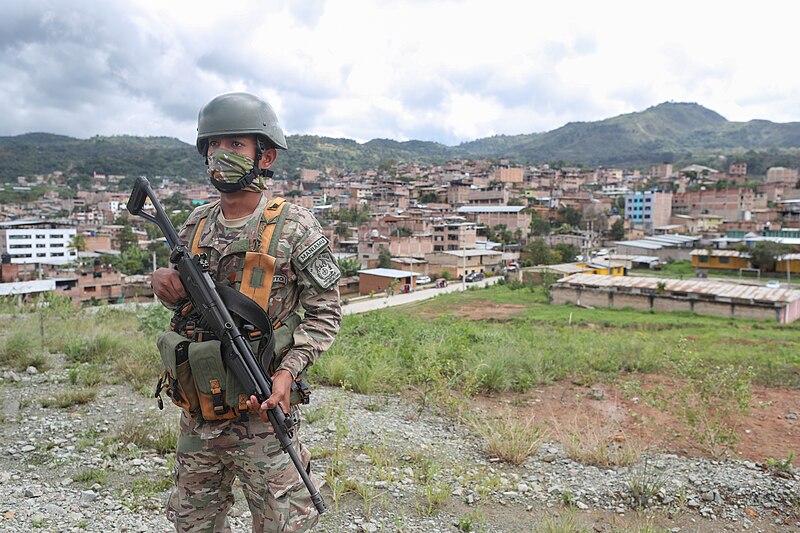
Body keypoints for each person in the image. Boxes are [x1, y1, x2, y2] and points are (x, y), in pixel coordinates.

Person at [151, 92, 342, 532]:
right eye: (213, 146)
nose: (221, 155)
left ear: (266, 155)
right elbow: (184, 306)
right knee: (192, 522)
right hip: (200, 411)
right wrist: (162, 285)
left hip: (263, 411)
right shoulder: (193, 224)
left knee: (283, 524)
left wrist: (289, 371)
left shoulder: (295, 226)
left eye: (235, 145)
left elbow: (325, 313)